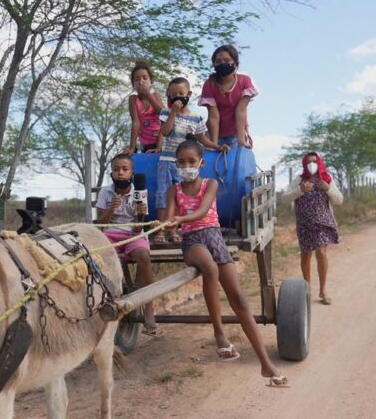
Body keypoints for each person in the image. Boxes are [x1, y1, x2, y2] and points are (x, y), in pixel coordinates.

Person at [163, 135, 288, 387]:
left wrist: (179, 221)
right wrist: (170, 228)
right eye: (181, 162)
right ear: (176, 165)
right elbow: (169, 219)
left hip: (214, 238)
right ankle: (219, 333)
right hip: (193, 242)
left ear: (201, 163)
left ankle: (266, 364)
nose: (186, 167)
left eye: (191, 162)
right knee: (208, 267)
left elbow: (201, 211)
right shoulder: (172, 190)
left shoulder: (211, 184)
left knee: (239, 299)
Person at [96, 154, 158, 335]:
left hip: (133, 233)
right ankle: (117, 294)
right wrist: (111, 209)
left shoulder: (139, 192)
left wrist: (141, 216)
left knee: (143, 256)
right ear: (111, 173)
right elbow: (100, 224)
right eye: (116, 170)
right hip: (110, 234)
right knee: (102, 257)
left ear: (132, 173)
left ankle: (149, 306)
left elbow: (139, 230)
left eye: (124, 169)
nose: (120, 173)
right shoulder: (106, 192)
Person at [154, 77, 216, 244]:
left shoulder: (196, 118)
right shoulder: (166, 113)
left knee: (180, 197)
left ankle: (174, 230)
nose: (178, 97)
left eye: (181, 94)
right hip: (167, 161)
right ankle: (160, 230)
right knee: (162, 195)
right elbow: (165, 132)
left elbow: (202, 138)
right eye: (173, 94)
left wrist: (217, 147)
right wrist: (173, 112)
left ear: (188, 94)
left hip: (185, 165)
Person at [284, 152, 343, 305]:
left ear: (320, 163)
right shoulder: (299, 180)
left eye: (314, 161)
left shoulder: (326, 178)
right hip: (304, 223)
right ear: (304, 164)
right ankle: (307, 288)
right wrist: (300, 191)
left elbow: (339, 200)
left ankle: (323, 290)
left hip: (322, 221)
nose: (311, 164)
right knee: (306, 255)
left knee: (321, 252)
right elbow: (284, 198)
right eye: (308, 162)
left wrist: (328, 188)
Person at [198, 44, 259, 152]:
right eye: (218, 61)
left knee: (235, 162)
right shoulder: (210, 84)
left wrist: (241, 139)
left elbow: (240, 111)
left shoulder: (244, 81)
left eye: (227, 60)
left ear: (236, 63)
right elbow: (213, 116)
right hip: (213, 133)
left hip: (235, 133)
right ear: (214, 65)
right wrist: (214, 144)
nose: (223, 64)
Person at [125, 60, 164, 154]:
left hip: (162, 141)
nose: (141, 82)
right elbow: (135, 123)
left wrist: (148, 95)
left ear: (151, 81)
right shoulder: (133, 99)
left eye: (145, 78)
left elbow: (163, 115)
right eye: (137, 79)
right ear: (133, 84)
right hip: (147, 144)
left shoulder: (155, 96)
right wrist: (132, 148)